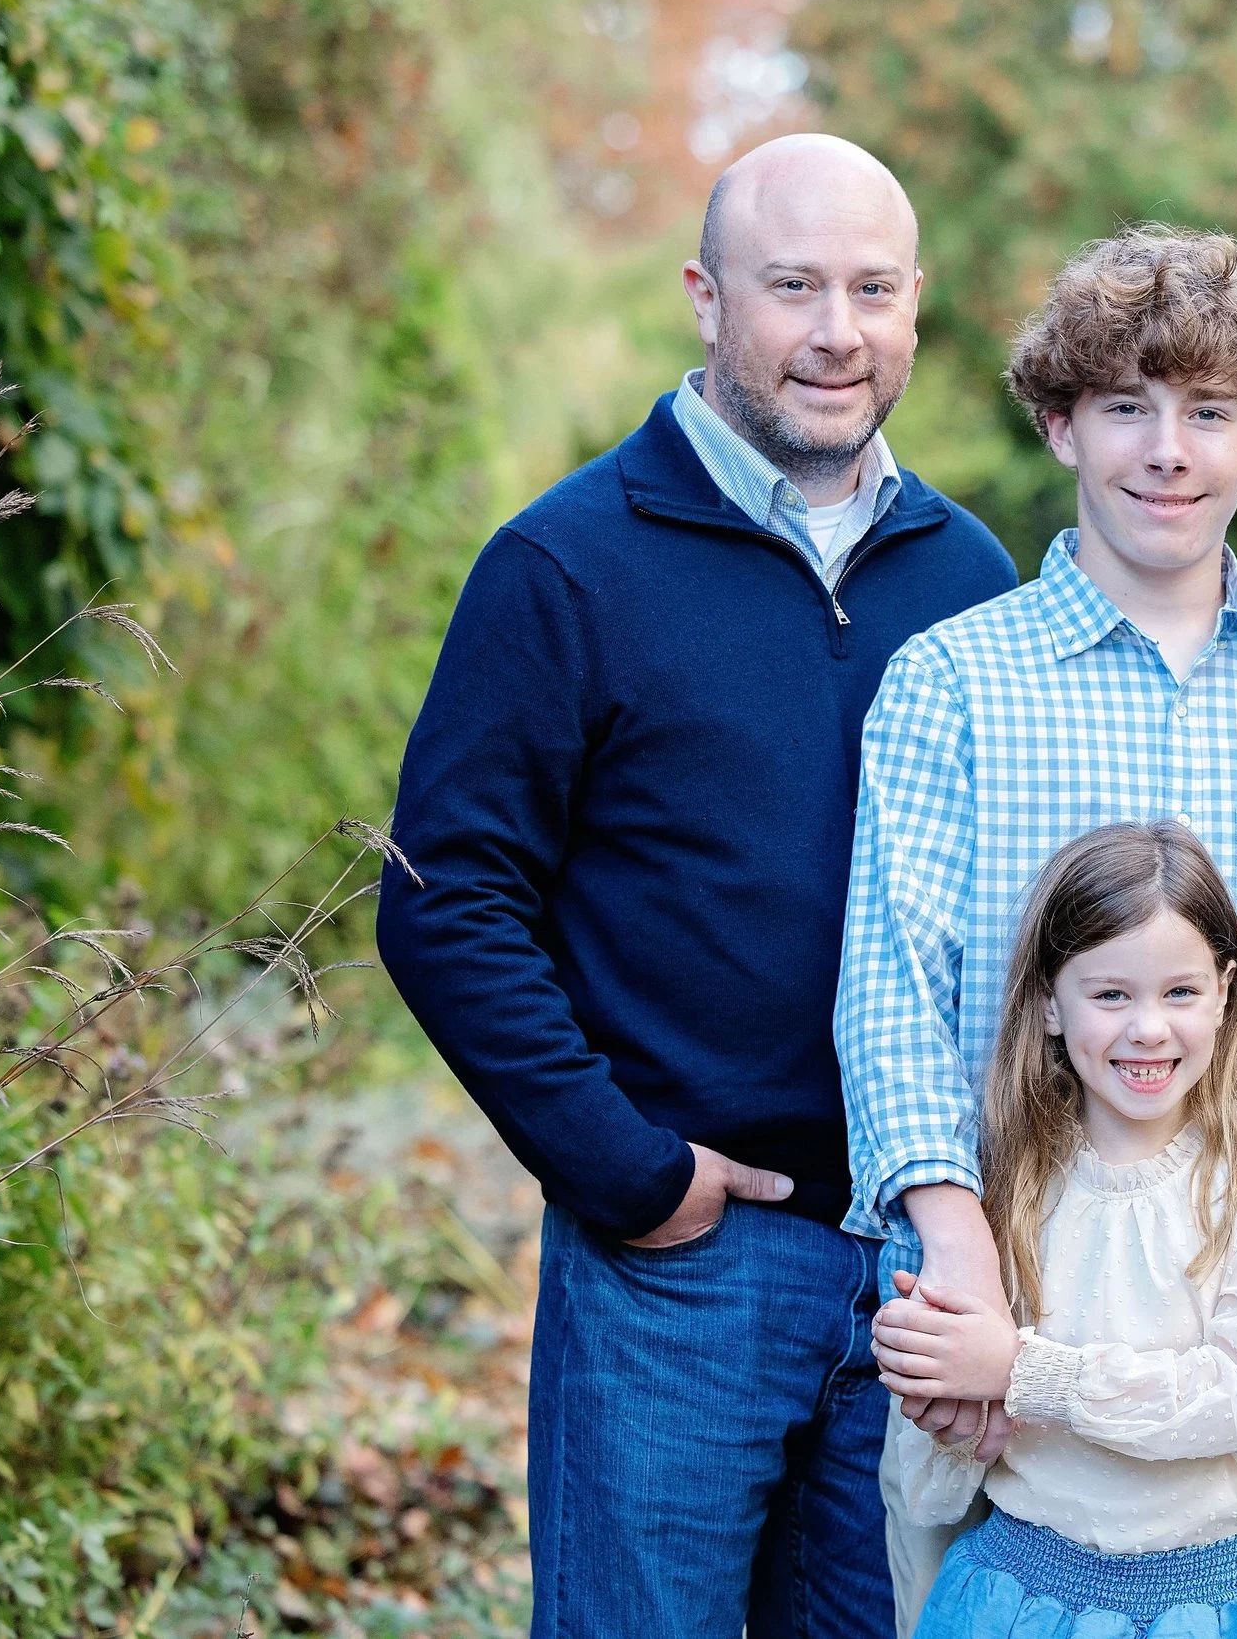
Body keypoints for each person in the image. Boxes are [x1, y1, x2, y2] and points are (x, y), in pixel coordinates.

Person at [375, 135, 1016, 1637]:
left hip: (923, 1276)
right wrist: (631, 1170)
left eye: (871, 288)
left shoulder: (969, 579)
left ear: (919, 304)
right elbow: (444, 896)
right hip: (681, 1268)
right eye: (791, 286)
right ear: (706, 297)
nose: (835, 331)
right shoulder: (567, 564)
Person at [834, 226, 1237, 1636]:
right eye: (1126, 407)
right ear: (1058, 422)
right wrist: (954, 1248)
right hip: (1008, 1325)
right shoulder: (953, 684)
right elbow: (892, 992)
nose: (1168, 449)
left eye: (1209, 411)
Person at [868, 821, 1237, 1638]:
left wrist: (1016, 1369)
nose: (1147, 1027)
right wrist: (941, 1401)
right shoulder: (1008, 1178)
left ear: (1226, 991)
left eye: (1179, 992)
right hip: (1020, 1602)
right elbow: (934, 1492)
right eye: (1111, 993)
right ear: (1051, 1002)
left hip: (1212, 1605)